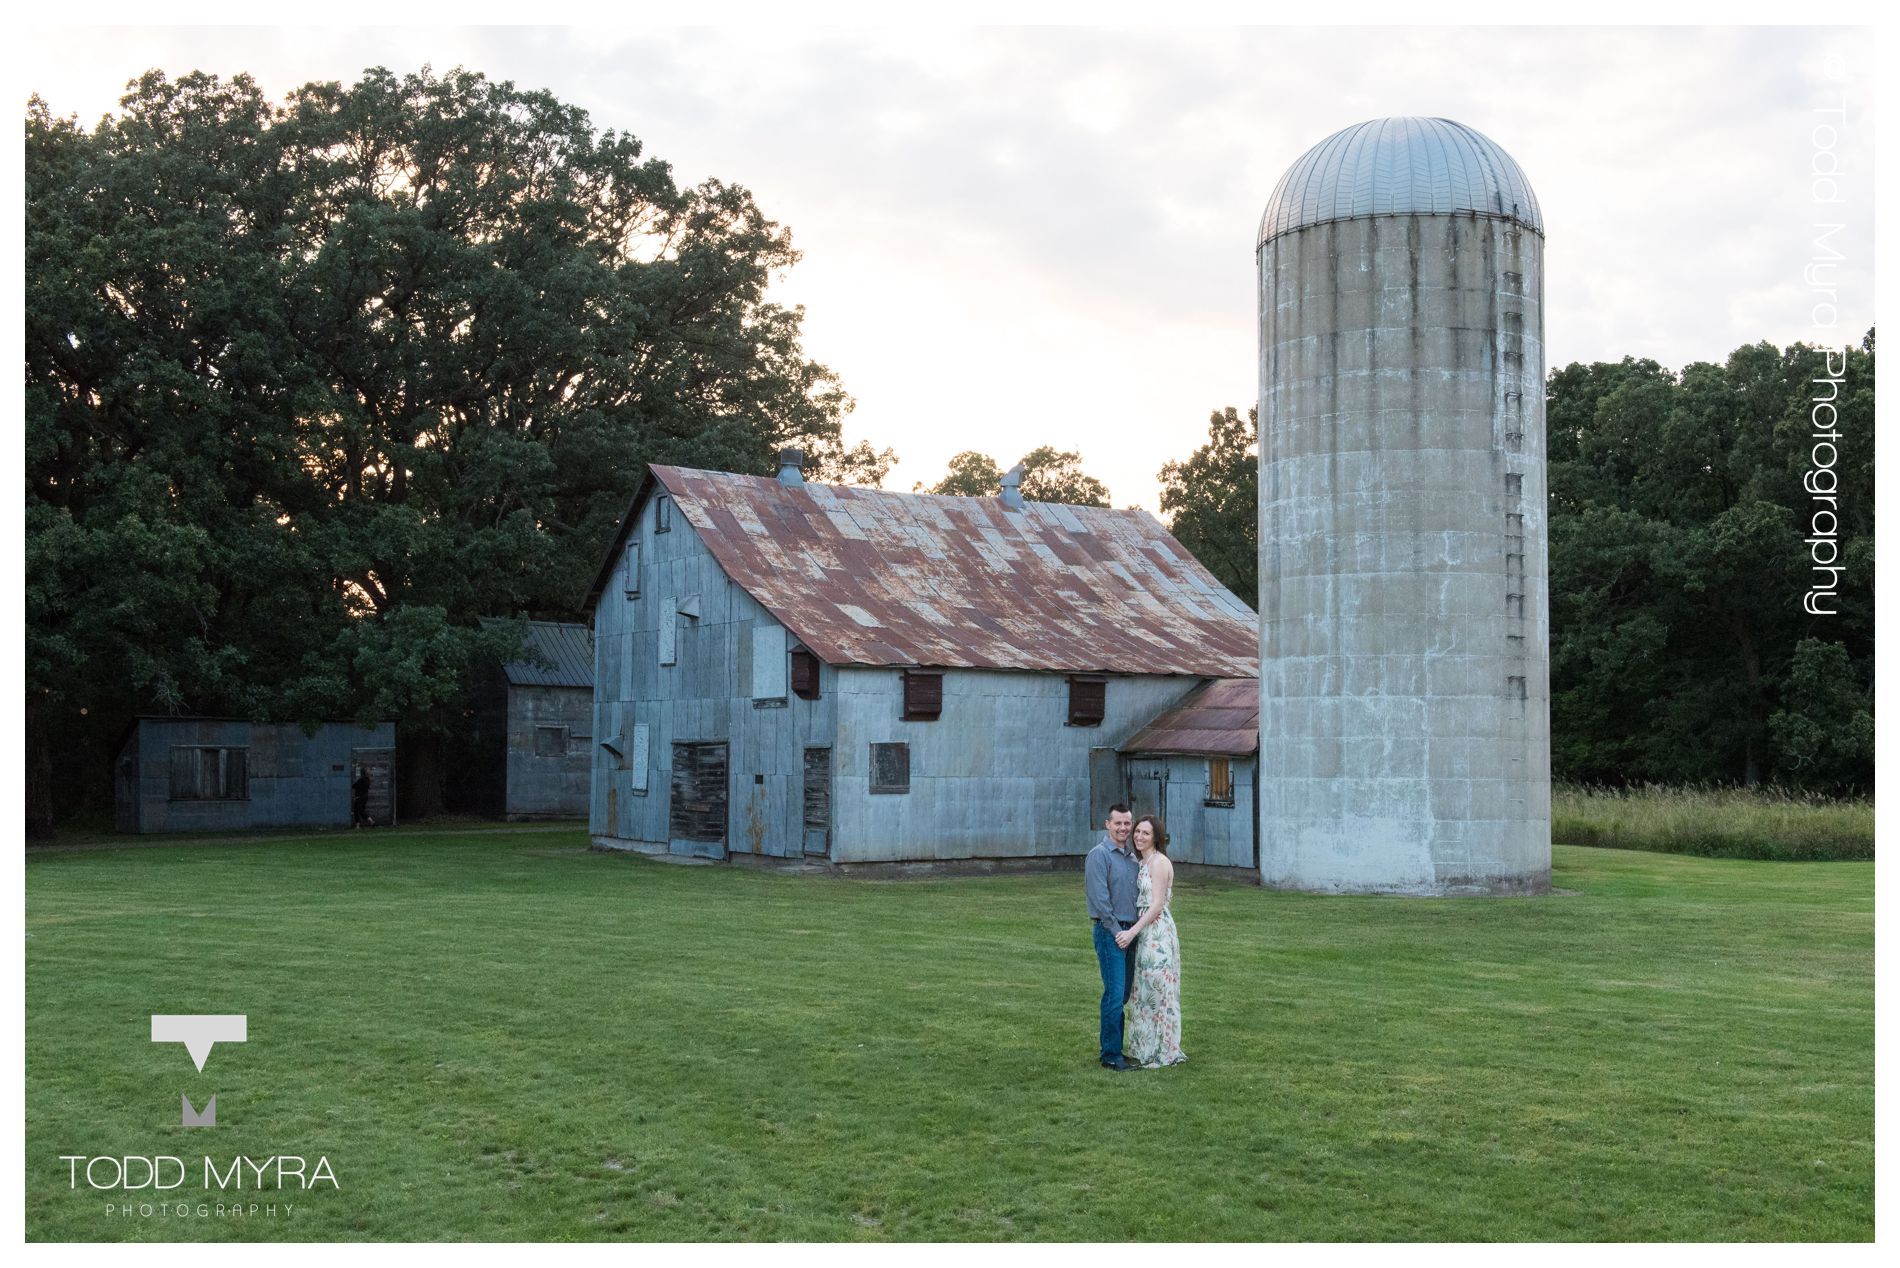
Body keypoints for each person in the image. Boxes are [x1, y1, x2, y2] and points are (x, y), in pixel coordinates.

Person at [1117, 813, 1186, 1068]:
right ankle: (1144, 1046)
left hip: (1157, 932)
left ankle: (1163, 1049)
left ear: (1156, 837)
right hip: (1144, 932)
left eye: (1146, 833)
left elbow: (1157, 904)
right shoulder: (1141, 862)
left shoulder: (1159, 862)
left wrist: (1132, 932)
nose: (1139, 836)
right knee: (1144, 989)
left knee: (1159, 987)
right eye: (1137, 831)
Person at [1084, 804, 1140, 1070]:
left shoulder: (1131, 858)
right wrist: (1119, 933)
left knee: (1124, 993)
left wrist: (1132, 933)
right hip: (1111, 934)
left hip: (1131, 932)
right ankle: (1110, 1055)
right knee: (1114, 994)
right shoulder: (1099, 855)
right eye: (1118, 823)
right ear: (1107, 824)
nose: (1123, 828)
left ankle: (1116, 1049)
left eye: (1127, 823)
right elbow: (1100, 900)